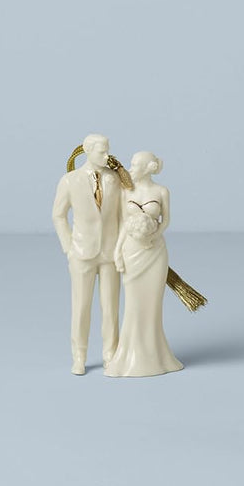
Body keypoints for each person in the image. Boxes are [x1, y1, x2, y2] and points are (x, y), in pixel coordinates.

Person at [105, 151, 183, 377]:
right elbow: (123, 224)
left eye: (135, 165)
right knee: (133, 304)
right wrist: (117, 251)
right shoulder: (126, 192)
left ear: (148, 168)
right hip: (131, 252)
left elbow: (166, 220)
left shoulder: (161, 191)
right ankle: (129, 357)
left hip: (155, 252)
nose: (131, 169)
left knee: (153, 305)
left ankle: (156, 357)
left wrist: (153, 235)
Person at [52, 134, 121, 375]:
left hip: (110, 252)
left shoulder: (115, 179)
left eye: (107, 150)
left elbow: (122, 214)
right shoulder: (70, 180)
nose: (106, 155)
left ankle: (110, 354)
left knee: (110, 308)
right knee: (81, 307)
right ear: (87, 151)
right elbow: (59, 215)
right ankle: (79, 356)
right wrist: (69, 247)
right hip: (82, 252)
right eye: (102, 152)